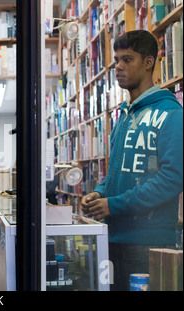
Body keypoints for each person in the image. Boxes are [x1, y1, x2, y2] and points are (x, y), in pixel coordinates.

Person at [81, 30, 183, 291]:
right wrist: (98, 193)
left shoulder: (171, 113)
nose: (119, 67)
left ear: (148, 62)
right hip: (113, 237)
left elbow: (172, 179)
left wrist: (113, 205)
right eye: (116, 60)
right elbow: (116, 171)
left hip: (149, 242)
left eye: (127, 59)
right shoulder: (124, 116)